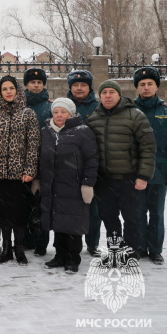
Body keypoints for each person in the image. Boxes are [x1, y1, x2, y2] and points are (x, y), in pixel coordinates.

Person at [86, 80, 156, 256]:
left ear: (119, 95)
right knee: (109, 219)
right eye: (104, 93)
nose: (108, 96)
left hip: (129, 179)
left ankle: (131, 253)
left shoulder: (135, 116)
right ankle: (115, 252)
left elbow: (148, 148)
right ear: (99, 96)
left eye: (111, 92)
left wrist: (143, 176)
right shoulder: (93, 118)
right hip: (104, 180)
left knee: (132, 219)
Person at [0, 76, 40, 266]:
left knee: (19, 213)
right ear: (0, 93)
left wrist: (30, 169)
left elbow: (33, 145)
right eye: (4, 89)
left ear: (17, 90)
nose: (8, 92)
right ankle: (6, 249)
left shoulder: (28, 114)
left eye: (11, 88)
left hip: (20, 174)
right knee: (2, 213)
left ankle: (19, 249)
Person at [36, 98, 98, 274]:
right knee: (57, 222)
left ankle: (72, 259)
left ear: (71, 114)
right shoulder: (46, 131)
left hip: (73, 186)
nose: (59, 115)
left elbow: (91, 159)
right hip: (52, 186)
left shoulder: (83, 132)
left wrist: (88, 183)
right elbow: (40, 158)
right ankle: (59, 255)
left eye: (63, 112)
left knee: (72, 224)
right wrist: (38, 180)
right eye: (56, 112)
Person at [133, 67, 167, 264]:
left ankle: (155, 249)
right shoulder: (129, 109)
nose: (146, 88)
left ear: (156, 86)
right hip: (135, 171)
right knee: (136, 212)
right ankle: (138, 247)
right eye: (142, 85)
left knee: (156, 212)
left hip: (159, 171)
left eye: (150, 84)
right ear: (137, 88)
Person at [66, 69, 102, 257]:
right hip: (67, 166)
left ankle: (92, 242)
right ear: (70, 87)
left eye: (83, 85)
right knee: (69, 207)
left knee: (92, 208)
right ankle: (70, 243)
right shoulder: (63, 107)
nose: (79, 88)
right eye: (75, 85)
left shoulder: (98, 107)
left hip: (91, 164)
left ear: (89, 87)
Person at [23, 67, 52, 256]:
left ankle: (41, 242)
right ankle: (26, 239)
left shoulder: (51, 107)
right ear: (26, 85)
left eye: (39, 82)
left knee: (42, 204)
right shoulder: (19, 104)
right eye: (32, 82)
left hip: (43, 162)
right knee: (24, 204)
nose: (36, 85)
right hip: (21, 163)